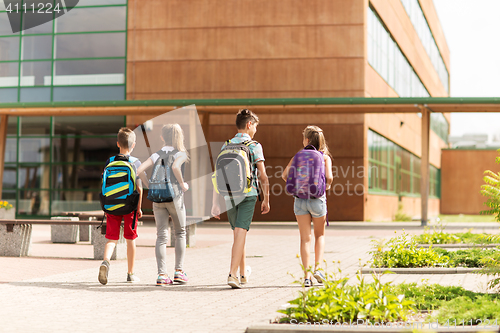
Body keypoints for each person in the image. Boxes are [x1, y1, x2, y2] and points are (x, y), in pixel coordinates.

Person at [211, 109, 270, 289]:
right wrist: (266, 199)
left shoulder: (225, 145)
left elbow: (216, 175)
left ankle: (243, 274)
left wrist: (215, 203)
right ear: (249, 124)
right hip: (248, 194)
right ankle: (232, 274)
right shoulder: (254, 146)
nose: (255, 131)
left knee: (238, 234)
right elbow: (263, 176)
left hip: (229, 195)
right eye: (255, 127)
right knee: (240, 233)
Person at [136, 124, 190, 286]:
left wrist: (149, 185)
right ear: (179, 137)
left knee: (161, 236)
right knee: (180, 233)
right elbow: (175, 167)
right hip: (174, 197)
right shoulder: (180, 153)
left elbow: (139, 170)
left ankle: (161, 275)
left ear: (162, 137)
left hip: (157, 197)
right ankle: (179, 272)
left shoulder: (156, 154)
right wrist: (182, 184)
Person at [281, 125, 333, 287]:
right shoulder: (324, 157)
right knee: (320, 236)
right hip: (317, 200)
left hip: (300, 200)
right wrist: (325, 188)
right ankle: (318, 269)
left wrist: (298, 185)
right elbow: (329, 178)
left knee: (305, 239)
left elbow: (284, 175)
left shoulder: (298, 156)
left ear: (307, 140)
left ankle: (306, 277)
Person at [99, 127, 143, 285]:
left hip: (111, 205)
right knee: (130, 239)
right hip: (129, 206)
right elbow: (139, 188)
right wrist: (138, 208)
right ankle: (130, 274)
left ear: (118, 143)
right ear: (133, 145)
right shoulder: (135, 162)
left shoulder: (110, 161)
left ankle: (105, 262)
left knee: (111, 238)